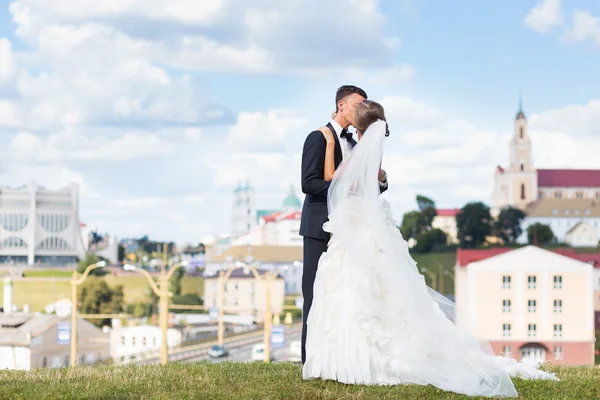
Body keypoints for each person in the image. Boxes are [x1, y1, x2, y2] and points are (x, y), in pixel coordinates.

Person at [302, 100, 558, 398]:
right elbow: (363, 181)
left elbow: (335, 182)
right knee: (377, 288)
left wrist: (333, 140)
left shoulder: (353, 149)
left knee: (353, 288)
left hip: (356, 225)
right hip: (367, 223)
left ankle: (354, 358)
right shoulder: (371, 149)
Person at [299, 85, 388, 365]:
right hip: (319, 226)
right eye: (357, 105)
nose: (361, 111)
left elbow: (372, 183)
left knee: (345, 291)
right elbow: (308, 183)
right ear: (341, 105)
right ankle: (308, 358)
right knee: (314, 291)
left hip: (350, 226)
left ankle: (339, 354)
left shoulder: (359, 141)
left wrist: (380, 180)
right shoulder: (318, 137)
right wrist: (342, 189)